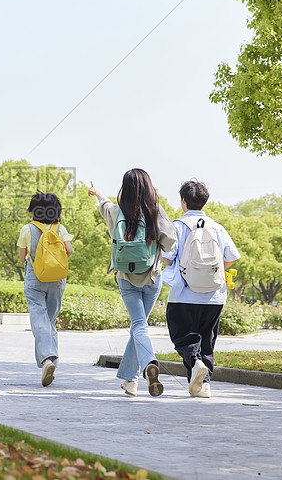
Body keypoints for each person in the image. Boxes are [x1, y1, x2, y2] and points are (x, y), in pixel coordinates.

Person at [89, 169, 176, 397]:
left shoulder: (118, 212)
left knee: (138, 327)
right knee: (140, 327)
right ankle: (132, 380)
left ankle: (145, 367)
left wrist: (98, 193)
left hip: (126, 277)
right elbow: (170, 242)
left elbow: (105, 206)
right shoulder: (155, 211)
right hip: (151, 277)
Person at [161, 179, 240, 399]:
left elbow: (167, 259)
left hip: (183, 294)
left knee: (182, 336)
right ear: (204, 202)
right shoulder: (217, 227)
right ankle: (203, 386)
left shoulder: (176, 226)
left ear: (183, 201)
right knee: (207, 339)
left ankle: (195, 363)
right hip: (214, 296)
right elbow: (231, 257)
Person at [17, 191, 74, 386]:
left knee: (38, 317)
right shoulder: (61, 228)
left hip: (35, 279)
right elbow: (69, 250)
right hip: (57, 279)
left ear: (33, 211)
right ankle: (53, 361)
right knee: (50, 320)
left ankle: (47, 360)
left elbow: (21, 257)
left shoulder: (28, 229)